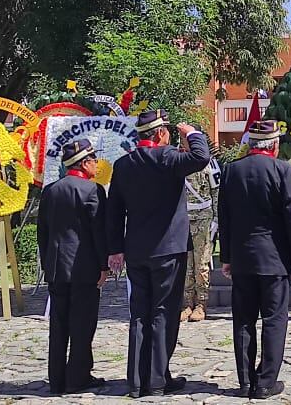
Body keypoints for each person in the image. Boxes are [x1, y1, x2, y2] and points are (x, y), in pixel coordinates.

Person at [106, 109, 210, 398]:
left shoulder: (124, 164)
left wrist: (115, 248)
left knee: (140, 313)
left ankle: (138, 380)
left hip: (137, 250)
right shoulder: (168, 158)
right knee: (164, 312)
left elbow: (113, 211)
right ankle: (156, 379)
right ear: (161, 133)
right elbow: (201, 157)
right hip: (169, 250)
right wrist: (191, 133)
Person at [218, 120, 291, 399]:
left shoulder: (232, 170)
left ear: (251, 144)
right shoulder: (284, 170)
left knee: (243, 320)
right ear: (275, 144)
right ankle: (266, 382)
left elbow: (225, 217)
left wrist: (227, 257)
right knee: (274, 320)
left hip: (243, 258)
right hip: (274, 259)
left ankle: (245, 381)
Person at [38, 139, 109, 395]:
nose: (97, 164)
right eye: (93, 160)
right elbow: (97, 232)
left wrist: (48, 262)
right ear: (84, 162)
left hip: (57, 268)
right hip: (84, 266)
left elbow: (43, 233)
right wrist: (104, 265)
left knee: (58, 325)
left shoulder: (50, 190)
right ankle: (77, 377)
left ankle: (56, 378)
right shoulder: (93, 191)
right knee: (82, 325)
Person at [180, 139, 220, 323]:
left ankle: (201, 304)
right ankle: (186, 303)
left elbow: (216, 191)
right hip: (182, 218)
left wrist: (216, 219)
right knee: (186, 264)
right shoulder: (179, 159)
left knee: (201, 263)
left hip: (204, 216)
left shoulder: (208, 162)